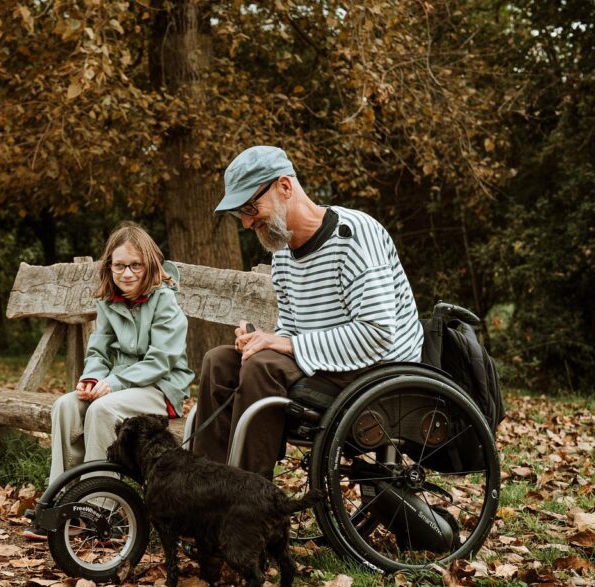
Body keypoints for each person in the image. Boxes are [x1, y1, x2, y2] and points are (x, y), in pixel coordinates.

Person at [193, 146, 424, 477]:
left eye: (249, 206)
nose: (245, 222)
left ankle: (249, 505)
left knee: (262, 367)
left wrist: (283, 345)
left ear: (285, 187)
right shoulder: (284, 254)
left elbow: (378, 333)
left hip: (381, 371)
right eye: (238, 213)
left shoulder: (355, 235)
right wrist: (262, 339)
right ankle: (207, 491)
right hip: (325, 365)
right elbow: (292, 327)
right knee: (220, 361)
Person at [24, 222, 194, 540]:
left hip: (160, 389)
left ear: (149, 266)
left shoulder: (165, 302)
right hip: (119, 386)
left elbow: (160, 361)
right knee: (64, 406)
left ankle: (99, 510)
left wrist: (113, 384)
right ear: (109, 266)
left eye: (134, 266)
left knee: (102, 410)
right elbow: (99, 352)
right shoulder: (109, 303)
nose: (126, 273)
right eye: (119, 266)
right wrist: (91, 378)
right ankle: (61, 502)